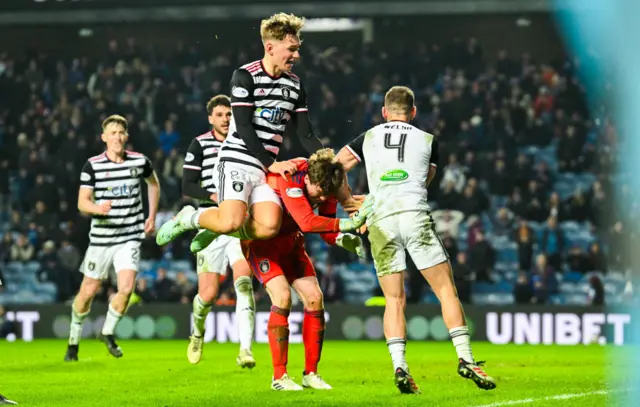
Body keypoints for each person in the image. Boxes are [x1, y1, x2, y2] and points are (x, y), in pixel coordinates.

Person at [334, 86, 496, 393]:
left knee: (394, 300)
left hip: (380, 219)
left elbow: (334, 168)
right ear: (414, 112)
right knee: (446, 290)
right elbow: (425, 181)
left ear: (384, 112)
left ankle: (400, 367)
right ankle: (465, 358)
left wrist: (350, 202)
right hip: (414, 214)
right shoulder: (429, 140)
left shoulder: (367, 137)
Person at [156, 13, 324, 251]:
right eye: (291, 49)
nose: (296, 55)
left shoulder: (295, 84)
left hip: (264, 167)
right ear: (270, 47)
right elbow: (244, 127)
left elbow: (306, 134)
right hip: (238, 160)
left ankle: (219, 228)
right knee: (231, 220)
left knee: (268, 228)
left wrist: (328, 159)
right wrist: (271, 163)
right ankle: (190, 218)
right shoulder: (245, 76)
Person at [244, 149, 372, 391]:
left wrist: (340, 238)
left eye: (327, 195)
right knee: (282, 297)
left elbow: (326, 230)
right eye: (319, 193)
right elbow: (308, 221)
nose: (322, 199)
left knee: (314, 298)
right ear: (309, 180)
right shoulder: (291, 175)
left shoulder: (328, 184)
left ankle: (311, 373)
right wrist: (349, 223)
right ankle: (279, 377)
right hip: (262, 244)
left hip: (292, 243)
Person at [64, 115, 160, 362]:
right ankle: (73, 342)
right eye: (112, 132)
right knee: (87, 292)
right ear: (104, 137)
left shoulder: (140, 162)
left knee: (127, 288)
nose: (117, 137)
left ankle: (106, 332)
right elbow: (82, 202)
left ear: (126, 137)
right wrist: (98, 208)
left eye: (121, 132)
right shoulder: (92, 165)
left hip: (129, 237)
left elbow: (153, 184)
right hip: (101, 240)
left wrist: (151, 216)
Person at [181, 95, 256, 368]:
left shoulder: (246, 142)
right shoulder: (199, 144)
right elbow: (188, 185)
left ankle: (245, 350)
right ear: (211, 118)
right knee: (209, 294)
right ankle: (197, 332)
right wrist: (214, 196)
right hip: (213, 222)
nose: (226, 119)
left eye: (229, 114)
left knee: (244, 282)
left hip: (239, 221)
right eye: (220, 115)